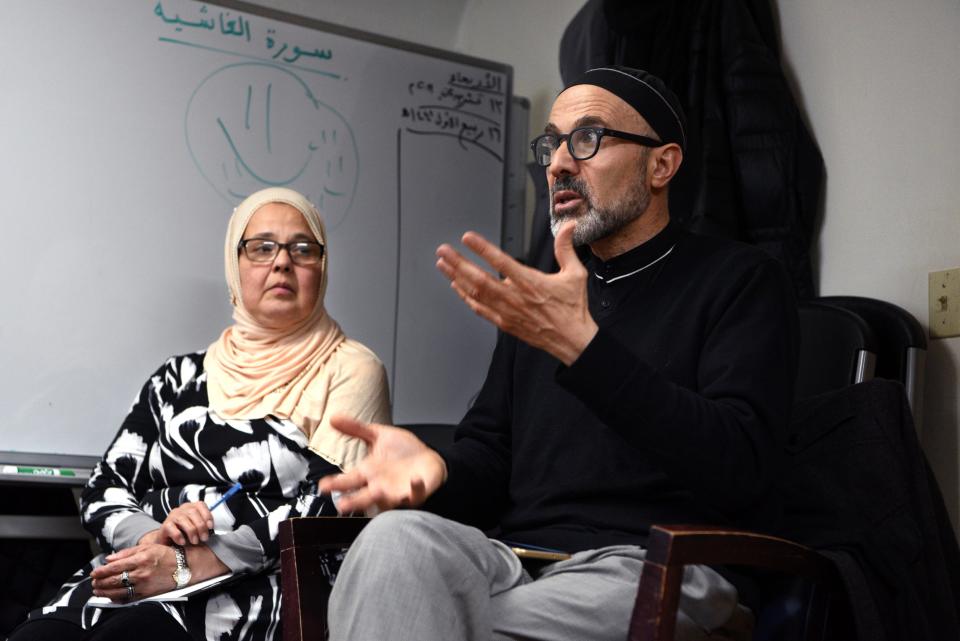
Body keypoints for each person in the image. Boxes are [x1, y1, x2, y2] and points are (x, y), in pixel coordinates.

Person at [319, 66, 799, 641]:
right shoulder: (541, 300)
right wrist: (436, 471)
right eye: (551, 143)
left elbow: (741, 467)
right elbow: (491, 458)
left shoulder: (740, 281)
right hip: (518, 562)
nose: (558, 163)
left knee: (444, 623)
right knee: (391, 544)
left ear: (661, 165)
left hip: (652, 568)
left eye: (588, 138)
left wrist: (584, 349)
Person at [7, 187, 390, 641]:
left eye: (302, 249)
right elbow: (105, 486)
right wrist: (151, 541)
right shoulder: (178, 376)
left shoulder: (350, 368)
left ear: (321, 268)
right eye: (262, 247)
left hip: (256, 587)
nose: (282, 262)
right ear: (236, 264)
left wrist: (193, 564)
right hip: (142, 571)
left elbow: (337, 504)